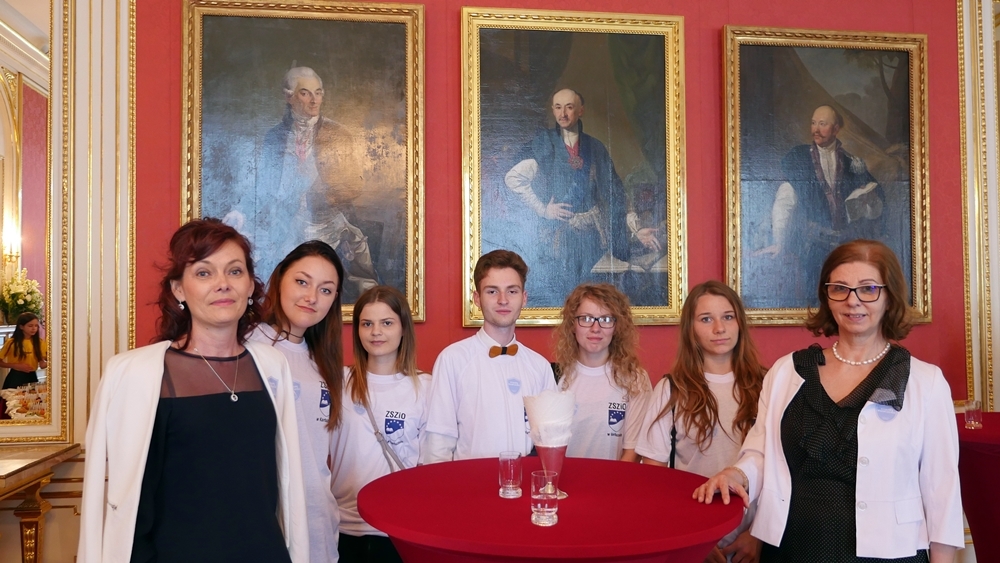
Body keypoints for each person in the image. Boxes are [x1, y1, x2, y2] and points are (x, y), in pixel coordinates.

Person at [694, 240, 964, 563]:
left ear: (890, 296)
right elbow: (760, 453)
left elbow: (942, 492)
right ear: (827, 296)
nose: (853, 301)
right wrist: (735, 475)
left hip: (889, 554)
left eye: (868, 288)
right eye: (840, 288)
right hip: (793, 548)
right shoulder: (787, 371)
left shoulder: (925, 382)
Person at [77, 218, 308, 563]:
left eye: (234, 271)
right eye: (203, 273)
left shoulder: (272, 365)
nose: (222, 284)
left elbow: (287, 483)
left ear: (249, 286)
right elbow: (113, 496)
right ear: (179, 289)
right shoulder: (131, 373)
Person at [636, 281, 766, 563]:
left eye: (727, 317)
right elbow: (654, 479)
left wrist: (758, 535)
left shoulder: (768, 385)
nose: (719, 328)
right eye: (706, 319)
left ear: (739, 323)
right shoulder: (671, 389)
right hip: (692, 537)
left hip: (752, 538)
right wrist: (691, 539)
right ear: (691, 329)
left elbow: (781, 469)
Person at [229, 65, 378, 292]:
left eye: (318, 93)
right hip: (282, 224)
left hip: (323, 224)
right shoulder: (274, 137)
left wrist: (319, 198)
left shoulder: (338, 134)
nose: (314, 100)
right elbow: (264, 186)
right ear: (289, 97)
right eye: (305, 93)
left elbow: (354, 185)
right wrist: (240, 212)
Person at [250, 240, 345, 563]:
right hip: (266, 520)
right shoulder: (248, 346)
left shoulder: (323, 361)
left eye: (325, 290)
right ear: (280, 280)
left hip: (317, 522)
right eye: (302, 282)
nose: (312, 297)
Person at [421, 249, 557, 462]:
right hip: (469, 480)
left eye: (512, 291)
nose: (503, 300)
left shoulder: (539, 366)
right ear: (477, 298)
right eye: (492, 291)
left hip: (524, 479)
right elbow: (439, 442)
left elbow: (550, 439)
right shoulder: (453, 360)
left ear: (524, 298)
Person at [332, 285, 430, 563]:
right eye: (367, 324)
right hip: (343, 526)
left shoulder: (425, 387)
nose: (376, 332)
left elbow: (430, 464)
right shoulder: (338, 381)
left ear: (403, 328)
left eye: (387, 323)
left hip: (398, 528)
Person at [504, 88, 630, 304]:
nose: (563, 114)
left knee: (589, 293)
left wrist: (633, 225)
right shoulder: (543, 144)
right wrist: (543, 210)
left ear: (580, 111)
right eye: (558, 107)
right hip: (557, 235)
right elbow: (513, 179)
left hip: (591, 236)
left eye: (569, 107)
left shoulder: (595, 147)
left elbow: (614, 190)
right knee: (561, 292)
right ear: (553, 110)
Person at [757, 105, 885, 303]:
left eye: (822, 124)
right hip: (813, 247)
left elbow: (874, 210)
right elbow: (785, 201)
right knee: (815, 301)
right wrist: (779, 241)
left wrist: (869, 202)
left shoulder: (852, 163)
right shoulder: (798, 158)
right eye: (813, 123)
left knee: (847, 299)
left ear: (836, 129)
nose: (815, 129)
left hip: (846, 248)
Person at [551, 283, 650, 461]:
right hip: (564, 478)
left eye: (605, 319)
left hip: (615, 477)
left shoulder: (635, 379)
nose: (595, 328)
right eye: (586, 318)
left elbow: (632, 453)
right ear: (573, 324)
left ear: (617, 326)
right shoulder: (554, 377)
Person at [0, 312, 47, 389]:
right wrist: (15, 365)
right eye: (30, 326)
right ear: (21, 327)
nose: (34, 328)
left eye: (36, 326)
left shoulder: (39, 342)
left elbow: (42, 364)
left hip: (32, 377)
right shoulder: (11, 342)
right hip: (16, 377)